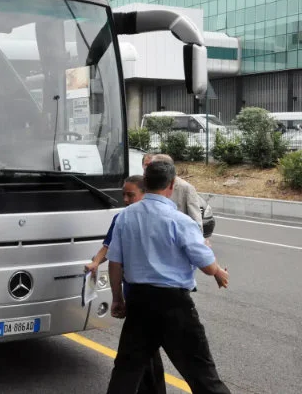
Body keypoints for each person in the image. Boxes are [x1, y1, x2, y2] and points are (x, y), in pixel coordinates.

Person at [106, 160, 230, 394]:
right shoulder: (180, 221)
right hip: (174, 306)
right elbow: (205, 263)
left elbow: (115, 262)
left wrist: (117, 298)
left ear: (146, 182)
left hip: (139, 304)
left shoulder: (125, 217)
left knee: (126, 371)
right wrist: (219, 272)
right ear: (172, 184)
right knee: (202, 374)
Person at [86, 176, 164, 394]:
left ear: (145, 194)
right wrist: (95, 262)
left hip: (154, 294)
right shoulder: (121, 218)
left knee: (136, 350)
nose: (126, 199)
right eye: (124, 195)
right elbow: (108, 247)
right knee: (145, 347)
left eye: (131, 195)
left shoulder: (158, 219)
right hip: (134, 293)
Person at [142, 153, 202, 229]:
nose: (149, 169)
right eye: (146, 165)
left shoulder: (185, 188)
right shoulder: (145, 183)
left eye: (151, 166)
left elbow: (196, 223)